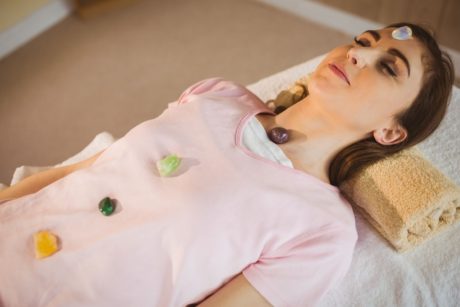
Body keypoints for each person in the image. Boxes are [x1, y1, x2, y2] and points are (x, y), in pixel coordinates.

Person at [0, 22, 454, 307]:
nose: (357, 53)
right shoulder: (218, 95)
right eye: (362, 41)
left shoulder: (321, 229)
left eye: (389, 67)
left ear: (392, 133)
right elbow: (89, 168)